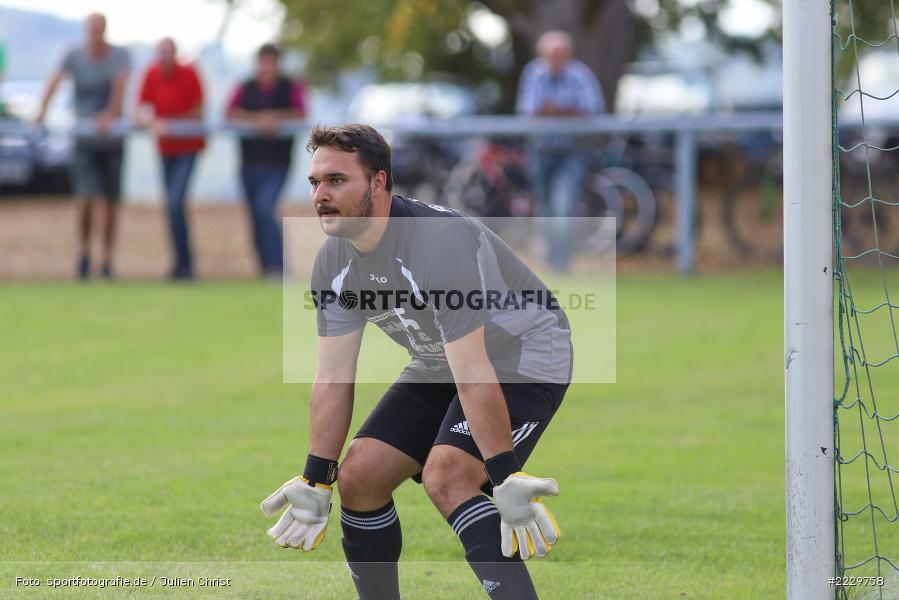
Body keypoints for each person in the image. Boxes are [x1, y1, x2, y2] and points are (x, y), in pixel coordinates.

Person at [260, 124, 572, 600]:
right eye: (314, 182)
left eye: (337, 181)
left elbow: (473, 367)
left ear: (379, 183)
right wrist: (316, 475)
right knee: (359, 477)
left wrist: (505, 474)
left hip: (524, 353)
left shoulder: (438, 242)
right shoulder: (332, 263)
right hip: (440, 359)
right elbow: (332, 377)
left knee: (448, 474)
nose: (320, 195)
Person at [36, 12, 130, 280]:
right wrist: (41, 110)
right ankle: (84, 254)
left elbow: (120, 86)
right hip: (84, 141)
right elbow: (55, 80)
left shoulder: (119, 55)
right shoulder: (73, 55)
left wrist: (110, 116)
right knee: (85, 198)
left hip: (111, 140)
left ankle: (108, 259)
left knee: (110, 202)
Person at [516, 30, 604, 272]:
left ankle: (561, 262)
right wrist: (567, 111)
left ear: (568, 54)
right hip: (540, 151)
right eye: (550, 55)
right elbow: (529, 111)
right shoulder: (534, 73)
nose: (554, 60)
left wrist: (552, 111)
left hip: (571, 152)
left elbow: (590, 109)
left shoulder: (580, 75)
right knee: (546, 207)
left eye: (559, 55)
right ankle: (549, 260)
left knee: (563, 205)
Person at [226, 43, 306, 279]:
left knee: (265, 208)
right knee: (255, 214)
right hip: (249, 163)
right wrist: (257, 120)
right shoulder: (245, 87)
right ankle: (265, 267)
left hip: (278, 163)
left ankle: (278, 266)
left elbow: (300, 113)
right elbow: (230, 112)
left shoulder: (290, 87)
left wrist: (274, 118)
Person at [135, 38, 205, 281]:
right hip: (165, 150)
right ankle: (180, 263)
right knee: (171, 206)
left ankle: (185, 263)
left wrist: (173, 124)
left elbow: (198, 111)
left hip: (188, 147)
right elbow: (142, 109)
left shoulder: (189, 74)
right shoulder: (151, 74)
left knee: (175, 202)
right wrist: (152, 122)